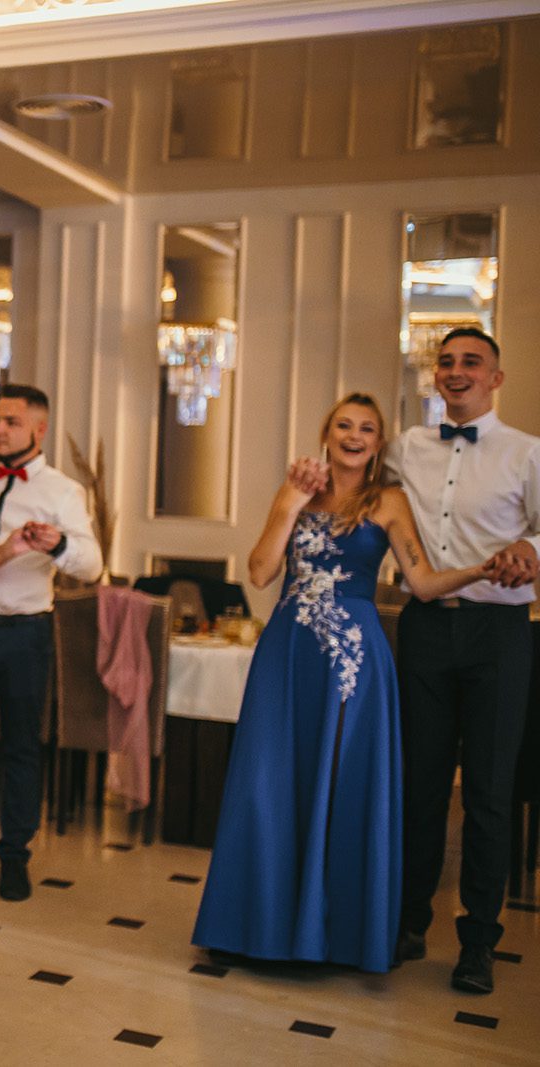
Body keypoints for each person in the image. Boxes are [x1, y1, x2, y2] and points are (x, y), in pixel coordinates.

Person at [193, 392, 494, 974]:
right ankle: (250, 927)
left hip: (353, 663)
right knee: (267, 780)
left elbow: (423, 583)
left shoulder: (389, 501)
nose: (354, 436)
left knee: (340, 784)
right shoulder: (296, 491)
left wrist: (481, 570)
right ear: (326, 435)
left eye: (367, 429)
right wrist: (289, 503)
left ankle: (329, 935)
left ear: (379, 443)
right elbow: (260, 572)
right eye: (344, 426)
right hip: (286, 654)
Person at [385, 327, 540, 994]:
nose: (455, 371)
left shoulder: (527, 452)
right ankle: (408, 922)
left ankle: (478, 942)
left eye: (471, 362)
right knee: (418, 784)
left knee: (488, 792)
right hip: (424, 626)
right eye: (445, 361)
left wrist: (532, 548)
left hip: (499, 631)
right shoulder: (406, 448)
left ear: (495, 378)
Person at [0, 385, 102, 900]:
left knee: (21, 747)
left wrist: (58, 544)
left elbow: (93, 564)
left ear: (39, 429)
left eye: (11, 422)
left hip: (25, 634)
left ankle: (14, 856)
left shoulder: (62, 492)